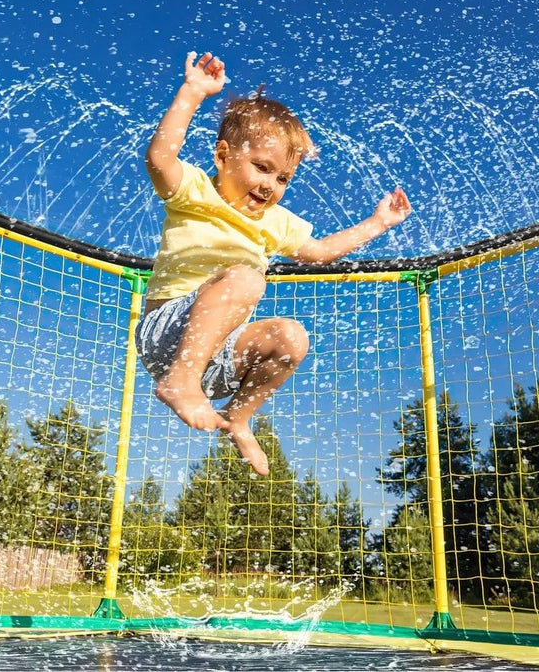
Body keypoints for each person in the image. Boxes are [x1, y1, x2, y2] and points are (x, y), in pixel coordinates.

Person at [136, 51, 411, 477]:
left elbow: (320, 252)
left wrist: (378, 223)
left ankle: (239, 418)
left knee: (291, 337)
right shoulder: (194, 190)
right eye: (261, 168)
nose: (270, 185)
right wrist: (193, 92)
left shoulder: (275, 222)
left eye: (283, 178)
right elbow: (160, 158)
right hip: (166, 335)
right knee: (247, 279)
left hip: (219, 355)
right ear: (224, 156)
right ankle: (179, 381)